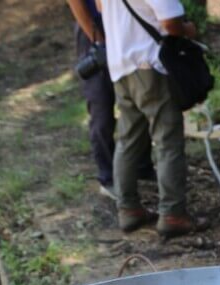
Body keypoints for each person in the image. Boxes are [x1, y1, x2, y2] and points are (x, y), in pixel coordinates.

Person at [99, 0, 199, 236]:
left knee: (128, 140)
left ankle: (128, 209)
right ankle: (173, 213)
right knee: (168, 141)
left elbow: (102, 7)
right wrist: (188, 30)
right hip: (149, 64)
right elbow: (171, 22)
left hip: (120, 65)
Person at [65, 0, 155, 199]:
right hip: (95, 29)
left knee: (139, 95)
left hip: (125, 22)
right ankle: (108, 176)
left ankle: (142, 165)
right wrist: (96, 38)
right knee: (101, 106)